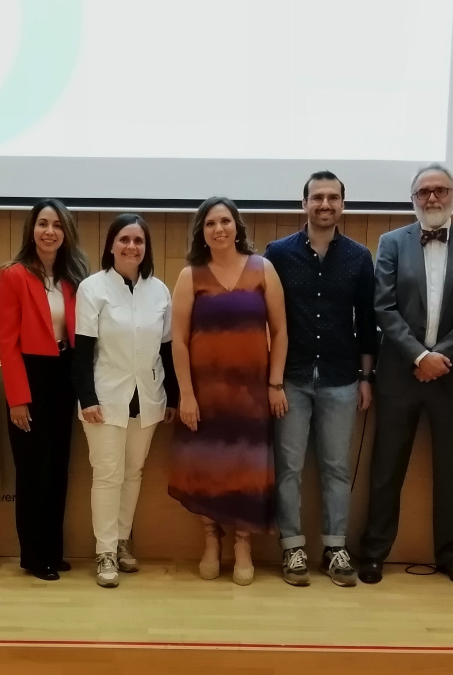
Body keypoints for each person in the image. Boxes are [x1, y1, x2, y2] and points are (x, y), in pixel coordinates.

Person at [359, 164, 453, 587]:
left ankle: (450, 555)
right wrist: (418, 355)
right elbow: (383, 307)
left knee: (451, 471)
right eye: (423, 192)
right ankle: (375, 552)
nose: (432, 198)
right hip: (400, 374)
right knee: (386, 469)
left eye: (440, 190)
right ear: (412, 198)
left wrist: (442, 355)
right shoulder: (391, 242)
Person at [264, 171, 376, 587]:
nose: (324, 204)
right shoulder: (277, 254)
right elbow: (267, 322)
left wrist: (366, 377)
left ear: (342, 205)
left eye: (332, 198)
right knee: (289, 467)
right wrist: (271, 382)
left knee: (335, 467)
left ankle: (334, 548)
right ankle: (292, 548)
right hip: (289, 379)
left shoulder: (359, 257)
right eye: (317, 197)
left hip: (341, 378)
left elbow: (366, 322)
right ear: (304, 203)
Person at [169, 196, 288, 586]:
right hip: (205, 396)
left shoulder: (263, 270)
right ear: (201, 232)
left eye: (225, 221)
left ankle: (242, 544)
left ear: (237, 226)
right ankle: (210, 541)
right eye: (210, 223)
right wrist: (186, 394)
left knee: (246, 472)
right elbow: (180, 342)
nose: (218, 229)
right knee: (205, 470)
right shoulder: (190, 276)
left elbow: (281, 332)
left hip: (251, 395)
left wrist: (275, 383)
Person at [72, 214, 179, 588]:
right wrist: (87, 397)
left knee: (133, 472)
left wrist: (174, 398)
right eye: (124, 239)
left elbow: (166, 351)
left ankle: (120, 541)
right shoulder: (93, 288)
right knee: (107, 474)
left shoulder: (160, 291)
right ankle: (103, 551)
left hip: (148, 397)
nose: (131, 246)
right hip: (103, 397)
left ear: (146, 247)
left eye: (138, 240)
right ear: (112, 245)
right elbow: (82, 350)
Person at [0, 199, 91, 581]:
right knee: (33, 472)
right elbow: (7, 341)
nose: (49, 231)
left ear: (66, 232)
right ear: (31, 230)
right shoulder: (13, 274)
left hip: (63, 376)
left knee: (58, 470)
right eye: (42, 224)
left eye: (56, 225)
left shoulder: (74, 278)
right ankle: (34, 556)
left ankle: (54, 550)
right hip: (30, 376)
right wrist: (17, 398)